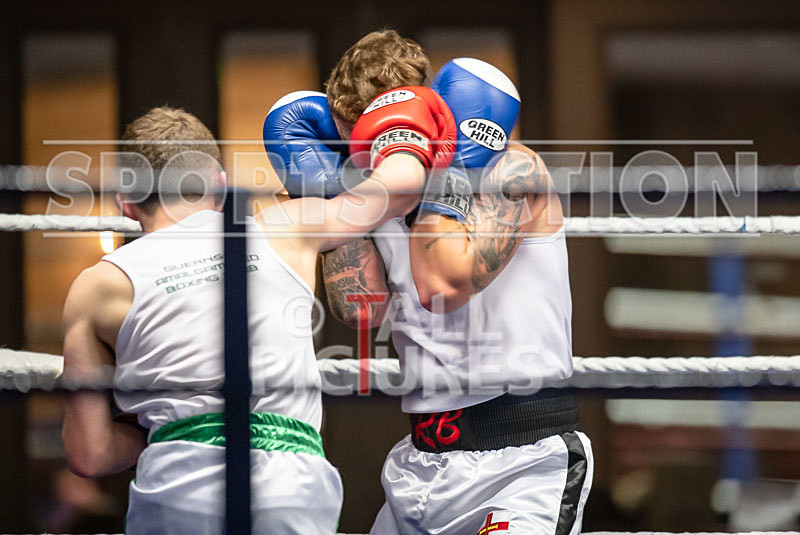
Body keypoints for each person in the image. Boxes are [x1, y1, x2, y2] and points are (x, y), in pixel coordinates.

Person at [61, 101, 455, 534]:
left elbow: (89, 454)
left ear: (126, 201)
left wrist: (168, 426)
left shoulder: (96, 286)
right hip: (288, 487)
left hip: (175, 493)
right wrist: (399, 126)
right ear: (220, 184)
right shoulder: (284, 227)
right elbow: (400, 188)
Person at [265, 29, 593, 534]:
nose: (380, 158)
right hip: (420, 462)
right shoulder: (369, 186)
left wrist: (445, 175)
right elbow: (361, 308)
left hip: (519, 462)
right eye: (361, 144)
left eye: (389, 137)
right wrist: (324, 190)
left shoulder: (510, 168)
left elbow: (442, 284)